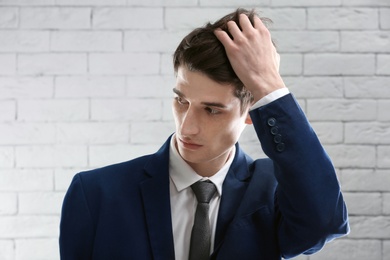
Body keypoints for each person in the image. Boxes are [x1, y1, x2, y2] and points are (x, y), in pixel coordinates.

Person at [59, 8, 349, 260]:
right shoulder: (95, 194)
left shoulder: (273, 193)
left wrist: (270, 89)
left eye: (212, 110)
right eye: (181, 101)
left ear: (251, 111)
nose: (186, 127)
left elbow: (324, 223)